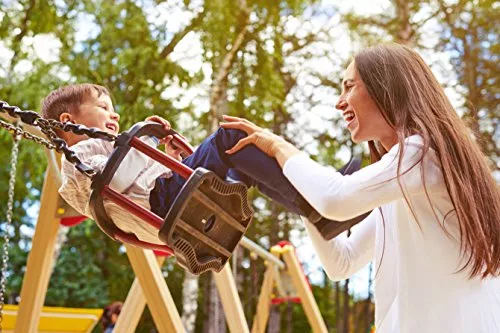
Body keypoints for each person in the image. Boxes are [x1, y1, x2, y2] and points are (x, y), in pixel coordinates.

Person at [220, 43, 500, 332]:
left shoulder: (423, 154)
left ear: (387, 89)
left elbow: (335, 199)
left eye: (349, 87)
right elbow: (343, 261)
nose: (340, 101)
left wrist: (279, 147)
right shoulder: (403, 189)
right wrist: (300, 194)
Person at [41, 83, 363, 245]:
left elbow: (138, 177)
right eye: (102, 107)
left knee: (243, 159)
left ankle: (317, 210)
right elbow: (116, 179)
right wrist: (146, 141)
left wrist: (171, 156)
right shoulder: (79, 157)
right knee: (230, 137)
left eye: (113, 109)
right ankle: (319, 204)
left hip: (168, 200)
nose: (114, 115)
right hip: (165, 204)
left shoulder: (107, 148)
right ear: (69, 121)